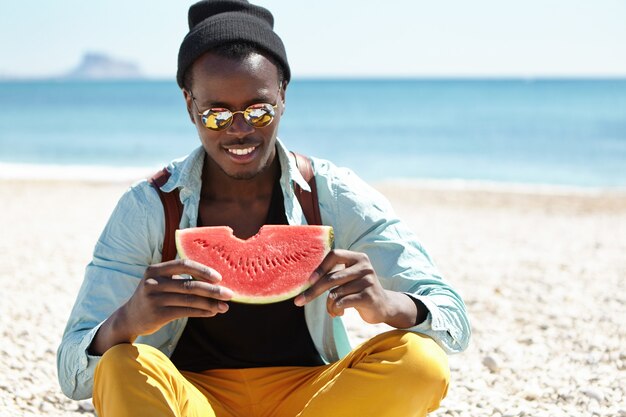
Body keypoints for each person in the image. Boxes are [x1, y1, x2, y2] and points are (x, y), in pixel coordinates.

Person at [57, 1, 470, 416]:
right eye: (216, 114)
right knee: (121, 366)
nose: (240, 130)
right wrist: (126, 320)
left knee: (421, 361)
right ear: (189, 106)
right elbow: (72, 373)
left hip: (313, 397)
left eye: (258, 109)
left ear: (283, 97)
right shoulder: (149, 207)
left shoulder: (332, 193)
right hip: (191, 397)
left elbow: (452, 318)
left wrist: (388, 304)